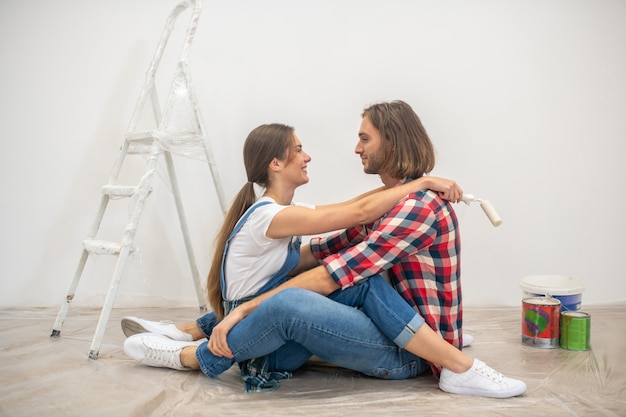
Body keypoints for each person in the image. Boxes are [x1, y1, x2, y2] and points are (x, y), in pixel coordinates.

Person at [123, 102, 526, 398]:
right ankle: (201, 331)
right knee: (333, 281)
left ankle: (195, 353)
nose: (355, 148)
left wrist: (243, 309)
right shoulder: (391, 204)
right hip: (395, 332)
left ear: (393, 141)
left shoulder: (415, 208)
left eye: (364, 138)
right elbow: (345, 227)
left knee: (309, 295)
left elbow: (338, 257)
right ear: (275, 163)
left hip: (413, 354)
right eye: (299, 149)